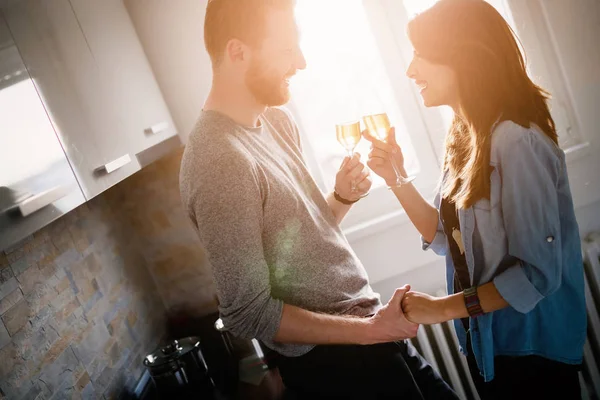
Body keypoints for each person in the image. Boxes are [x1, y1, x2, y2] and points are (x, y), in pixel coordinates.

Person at [179, 0, 459, 398]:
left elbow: (293, 252)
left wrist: (341, 198)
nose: (302, 63)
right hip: (338, 369)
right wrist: (368, 331)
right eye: (287, 49)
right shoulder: (218, 161)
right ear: (237, 52)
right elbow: (247, 311)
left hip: (371, 338)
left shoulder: (275, 121)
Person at [364, 1, 586, 399]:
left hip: (532, 353)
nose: (411, 70)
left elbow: (536, 274)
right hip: (488, 348)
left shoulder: (517, 142)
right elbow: (448, 237)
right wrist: (395, 178)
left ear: (461, 57)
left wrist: (441, 308)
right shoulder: (467, 137)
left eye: (421, 54)